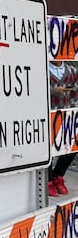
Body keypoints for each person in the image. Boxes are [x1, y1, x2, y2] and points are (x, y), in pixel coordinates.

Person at [48, 60, 77, 197]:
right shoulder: (42, 68)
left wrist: (73, 110)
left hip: (67, 115)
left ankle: (58, 175)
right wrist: (53, 91)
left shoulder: (72, 71)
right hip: (48, 116)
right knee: (48, 149)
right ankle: (47, 180)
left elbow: (75, 93)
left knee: (72, 146)